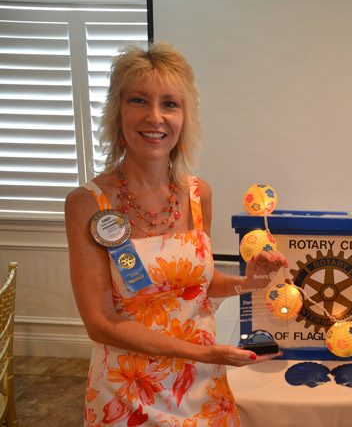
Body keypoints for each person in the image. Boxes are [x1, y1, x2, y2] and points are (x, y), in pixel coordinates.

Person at [65, 42, 287, 426]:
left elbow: (197, 283)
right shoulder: (89, 204)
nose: (155, 117)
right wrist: (200, 353)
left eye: (170, 103)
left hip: (201, 390)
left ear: (185, 117)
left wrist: (246, 283)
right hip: (127, 394)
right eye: (138, 100)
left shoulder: (199, 194)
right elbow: (99, 322)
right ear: (117, 112)